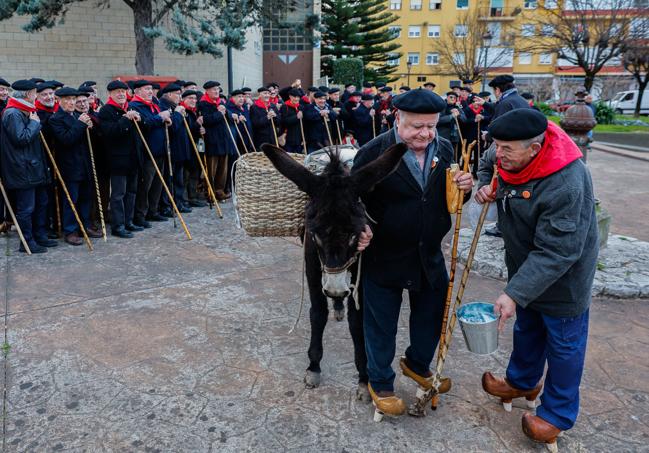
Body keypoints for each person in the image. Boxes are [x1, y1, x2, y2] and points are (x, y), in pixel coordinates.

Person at [474, 108, 598, 451]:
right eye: (498, 146)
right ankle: (522, 382)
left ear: (535, 148)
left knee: (563, 345)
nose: (500, 154)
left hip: (564, 276)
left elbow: (558, 252)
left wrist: (513, 293)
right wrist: (487, 184)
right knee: (527, 328)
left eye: (507, 150)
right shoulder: (508, 147)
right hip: (525, 265)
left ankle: (557, 414)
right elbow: (488, 162)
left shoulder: (566, 182)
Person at [352, 88, 473, 419]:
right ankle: (380, 382)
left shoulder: (445, 147)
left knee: (430, 317)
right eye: (416, 126)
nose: (425, 134)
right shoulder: (372, 152)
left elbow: (452, 198)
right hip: (384, 255)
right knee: (380, 324)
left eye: (431, 126)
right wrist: (359, 227)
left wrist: (465, 187)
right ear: (397, 119)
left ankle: (417, 363)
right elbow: (351, 201)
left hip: (428, 253)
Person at [1, 79, 56, 253]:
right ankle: (27, 241)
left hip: (34, 167)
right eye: (34, 93)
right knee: (27, 207)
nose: (36, 96)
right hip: (22, 169)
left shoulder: (26, 111)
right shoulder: (12, 113)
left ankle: (39, 235)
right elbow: (21, 138)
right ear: (27, 94)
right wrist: (34, 123)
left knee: (42, 202)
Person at [48, 87, 103, 245]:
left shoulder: (79, 116)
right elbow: (66, 139)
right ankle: (70, 230)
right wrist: (80, 125)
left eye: (73, 99)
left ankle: (85, 226)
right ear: (59, 101)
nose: (72, 102)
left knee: (86, 198)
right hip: (69, 166)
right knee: (71, 199)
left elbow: (87, 140)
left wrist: (90, 128)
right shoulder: (55, 119)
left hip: (84, 165)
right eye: (68, 100)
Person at [98, 80, 142, 238]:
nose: (121, 94)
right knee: (118, 194)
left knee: (132, 192)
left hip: (132, 159)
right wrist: (125, 119)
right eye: (117, 92)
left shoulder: (129, 108)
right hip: (117, 160)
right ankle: (118, 225)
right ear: (110, 94)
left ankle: (128, 221)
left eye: (123, 91)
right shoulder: (106, 111)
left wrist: (138, 120)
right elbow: (110, 132)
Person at [130, 80, 171, 225]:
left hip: (160, 150)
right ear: (137, 91)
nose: (150, 91)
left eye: (151, 89)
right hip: (147, 152)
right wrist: (160, 117)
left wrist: (165, 119)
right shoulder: (134, 106)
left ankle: (153, 211)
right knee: (145, 185)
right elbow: (144, 124)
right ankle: (140, 215)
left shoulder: (154, 104)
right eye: (146, 89)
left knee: (157, 184)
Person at [158, 83, 192, 217]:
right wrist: (178, 114)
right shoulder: (164, 106)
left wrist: (184, 115)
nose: (179, 97)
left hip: (180, 149)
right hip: (170, 148)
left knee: (179, 179)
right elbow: (172, 128)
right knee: (169, 179)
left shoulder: (176, 107)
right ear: (169, 94)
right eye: (177, 94)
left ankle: (179, 202)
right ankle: (167, 205)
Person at [199, 81, 235, 201]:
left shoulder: (221, 103)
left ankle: (219, 191)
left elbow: (229, 118)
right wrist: (219, 113)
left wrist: (225, 111)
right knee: (212, 170)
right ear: (207, 91)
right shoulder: (203, 104)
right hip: (212, 142)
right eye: (214, 90)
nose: (216, 92)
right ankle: (209, 192)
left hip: (224, 141)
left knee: (222, 169)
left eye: (217, 89)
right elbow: (207, 120)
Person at [179, 89, 207, 207]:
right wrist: (196, 125)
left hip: (196, 146)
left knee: (195, 172)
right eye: (190, 98)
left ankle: (193, 196)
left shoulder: (194, 111)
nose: (193, 101)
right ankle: (184, 199)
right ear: (184, 99)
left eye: (195, 98)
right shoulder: (182, 111)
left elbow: (194, 130)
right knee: (186, 174)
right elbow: (185, 130)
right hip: (186, 148)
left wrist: (201, 129)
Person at [437, 91, 466, 162]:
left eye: (455, 98)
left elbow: (464, 120)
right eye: (451, 97)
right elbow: (438, 120)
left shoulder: (457, 107)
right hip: (443, 136)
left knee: (453, 156)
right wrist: (451, 116)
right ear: (447, 98)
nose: (453, 99)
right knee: (442, 155)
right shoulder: (441, 106)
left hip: (454, 136)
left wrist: (458, 114)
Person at [279, 88, 306, 153]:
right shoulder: (285, 106)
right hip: (288, 138)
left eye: (298, 97)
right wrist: (296, 117)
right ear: (290, 96)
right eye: (294, 97)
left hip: (299, 138)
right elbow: (284, 122)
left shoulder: (301, 107)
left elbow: (304, 123)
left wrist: (304, 138)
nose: (296, 99)